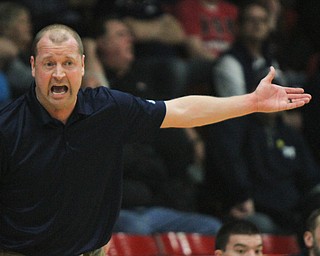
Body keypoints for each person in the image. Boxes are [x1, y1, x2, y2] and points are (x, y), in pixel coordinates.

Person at [0, 23, 311, 256]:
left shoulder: (108, 109)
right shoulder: (8, 127)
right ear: (32, 67)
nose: (58, 74)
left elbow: (181, 110)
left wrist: (251, 103)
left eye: (67, 63)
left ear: (82, 65)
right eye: (48, 64)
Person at [198, 1, 320, 235]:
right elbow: (236, 106)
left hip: (289, 202)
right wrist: (241, 195)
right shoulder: (229, 63)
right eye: (251, 20)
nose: (256, 26)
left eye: (262, 21)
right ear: (239, 26)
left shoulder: (271, 61)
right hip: (244, 134)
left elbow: (311, 178)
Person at [0, 1, 34, 99]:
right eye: (23, 21)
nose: (29, 26)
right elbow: (23, 79)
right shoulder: (5, 50)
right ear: (6, 27)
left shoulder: (28, 51)